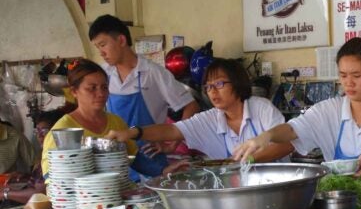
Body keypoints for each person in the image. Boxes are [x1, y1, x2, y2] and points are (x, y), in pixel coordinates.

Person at [233, 38, 361, 194]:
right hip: (346, 206)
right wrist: (266, 137)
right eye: (343, 75)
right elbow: (293, 129)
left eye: (356, 75)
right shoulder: (330, 110)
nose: (348, 82)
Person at [105, 58, 293, 163]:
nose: (212, 91)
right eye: (208, 87)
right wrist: (133, 132)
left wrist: (246, 160)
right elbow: (172, 130)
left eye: (219, 84)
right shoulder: (211, 118)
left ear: (237, 83)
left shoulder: (261, 109)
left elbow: (287, 145)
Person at [88, 15, 200, 177]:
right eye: (98, 47)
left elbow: (191, 106)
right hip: (116, 162)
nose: (102, 53)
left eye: (103, 45)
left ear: (121, 40)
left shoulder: (153, 72)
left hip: (151, 162)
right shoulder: (104, 74)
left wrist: (173, 144)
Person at [41, 59, 138, 177]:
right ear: (74, 91)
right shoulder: (62, 131)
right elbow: (51, 178)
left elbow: (135, 158)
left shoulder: (117, 122)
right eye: (92, 88)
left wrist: (162, 169)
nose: (101, 94)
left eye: (104, 87)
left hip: (118, 193)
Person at [3, 108, 66, 205]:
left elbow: (39, 194)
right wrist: (25, 177)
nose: (40, 136)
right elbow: (40, 182)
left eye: (44, 131)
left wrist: (5, 193)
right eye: (37, 131)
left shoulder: (56, 158)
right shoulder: (44, 156)